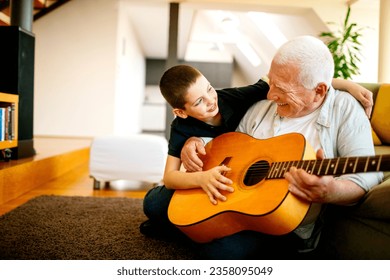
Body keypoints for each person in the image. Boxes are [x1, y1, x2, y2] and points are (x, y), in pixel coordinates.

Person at [176, 35, 383, 259]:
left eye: (281, 88)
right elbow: (232, 147)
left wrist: (331, 191)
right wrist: (196, 142)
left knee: (218, 252)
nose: (270, 94)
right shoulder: (260, 108)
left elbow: (367, 176)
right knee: (158, 203)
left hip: (285, 225)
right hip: (238, 202)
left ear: (319, 91)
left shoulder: (345, 109)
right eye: (271, 81)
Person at [141, 61, 374, 245]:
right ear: (181, 112)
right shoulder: (181, 127)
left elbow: (296, 83)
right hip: (210, 174)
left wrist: (348, 85)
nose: (212, 101)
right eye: (200, 101)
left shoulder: (232, 97)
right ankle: (181, 225)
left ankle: (179, 228)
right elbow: (170, 177)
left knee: (215, 244)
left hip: (233, 175)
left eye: (210, 89)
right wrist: (201, 174)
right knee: (153, 203)